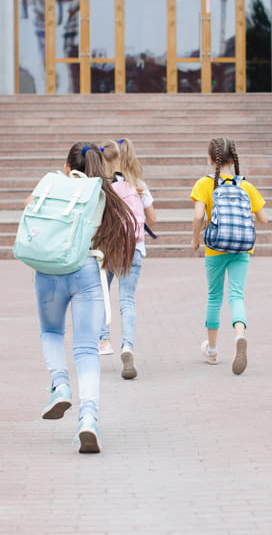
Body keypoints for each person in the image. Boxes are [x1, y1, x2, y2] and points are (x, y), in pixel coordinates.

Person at [28, 142, 137, 453]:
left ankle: (60, 385)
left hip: (48, 272)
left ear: (67, 167)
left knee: (51, 332)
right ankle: (88, 418)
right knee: (87, 350)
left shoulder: (53, 184)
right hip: (86, 272)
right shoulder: (101, 195)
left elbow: (29, 209)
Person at [190, 137, 269, 375]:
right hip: (241, 249)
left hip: (215, 248)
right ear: (234, 160)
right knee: (236, 295)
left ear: (211, 159)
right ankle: (239, 335)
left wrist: (195, 238)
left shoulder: (204, 184)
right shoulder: (245, 186)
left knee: (214, 297)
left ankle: (212, 350)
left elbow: (197, 215)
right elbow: (265, 218)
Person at [97, 138, 157, 379]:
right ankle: (128, 345)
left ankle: (104, 340)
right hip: (133, 248)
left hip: (108, 248)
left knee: (102, 292)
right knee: (127, 301)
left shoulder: (101, 187)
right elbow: (152, 220)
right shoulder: (139, 185)